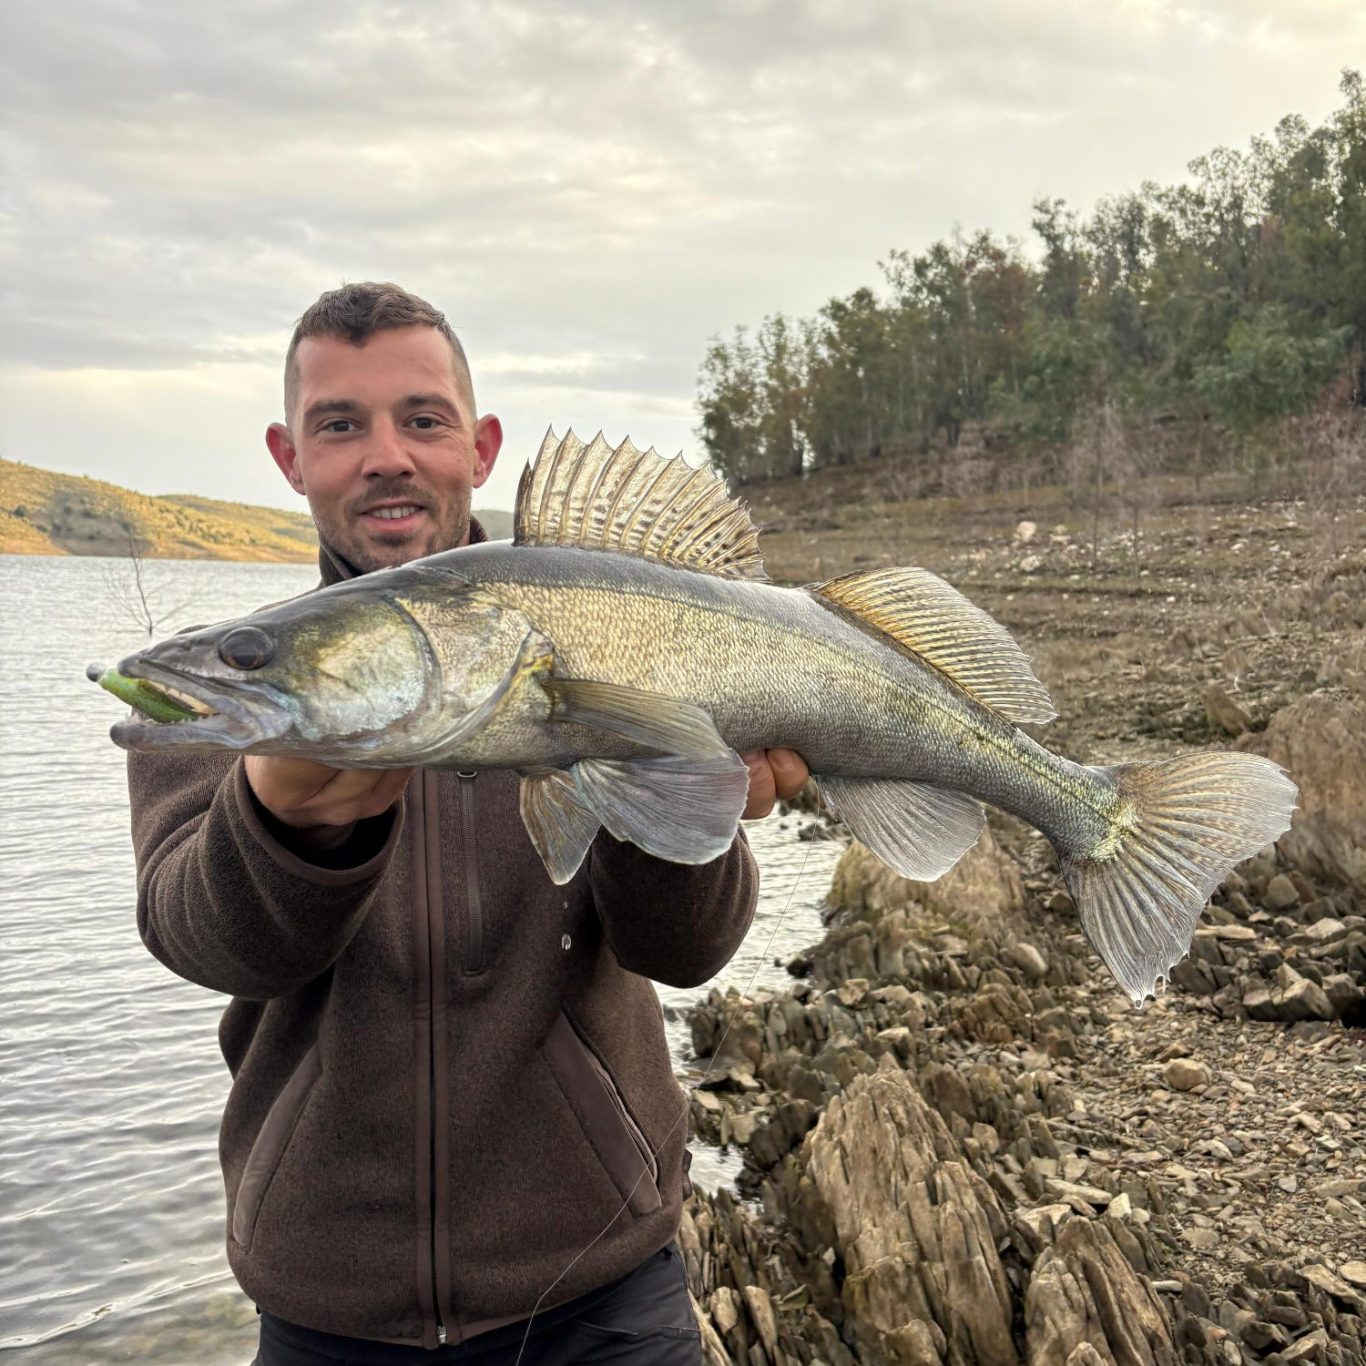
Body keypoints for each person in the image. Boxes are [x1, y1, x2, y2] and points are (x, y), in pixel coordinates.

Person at [126, 282, 810, 1365]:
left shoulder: (622, 625)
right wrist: (282, 819)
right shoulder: (239, 682)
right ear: (288, 456)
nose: (385, 454)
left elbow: (685, 951)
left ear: (481, 447)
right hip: (327, 1307)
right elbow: (206, 942)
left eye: (423, 418)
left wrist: (667, 780)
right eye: (339, 424)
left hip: (604, 1289)